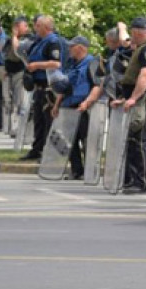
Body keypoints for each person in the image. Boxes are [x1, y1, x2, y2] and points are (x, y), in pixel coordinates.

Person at [114, 17, 146, 193]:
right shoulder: (145, 48)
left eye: (132, 33)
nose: (131, 38)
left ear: (137, 32)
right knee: (144, 139)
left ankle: (143, 181)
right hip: (144, 99)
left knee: (140, 139)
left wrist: (133, 98)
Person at [52, 35, 104, 181]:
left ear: (81, 48)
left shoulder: (91, 63)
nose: (69, 49)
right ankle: (77, 171)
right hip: (68, 106)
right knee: (70, 141)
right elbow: (64, 85)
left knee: (86, 140)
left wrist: (87, 103)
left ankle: (90, 171)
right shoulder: (70, 63)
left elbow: (97, 85)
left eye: (72, 46)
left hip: (83, 107)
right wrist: (56, 105)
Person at [21, 15, 64, 161]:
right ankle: (36, 149)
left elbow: (56, 63)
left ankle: (50, 153)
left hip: (48, 88)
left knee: (48, 121)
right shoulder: (39, 41)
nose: (35, 28)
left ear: (46, 27)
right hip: (38, 87)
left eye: (38, 26)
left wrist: (36, 65)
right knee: (38, 121)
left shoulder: (52, 42)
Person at [2, 16, 32, 136]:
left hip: (20, 72)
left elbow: (17, 51)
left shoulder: (28, 38)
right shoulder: (11, 39)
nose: (16, 29)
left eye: (19, 26)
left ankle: (19, 128)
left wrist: (14, 37)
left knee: (19, 101)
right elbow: (6, 54)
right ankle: (9, 127)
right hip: (9, 72)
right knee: (8, 101)